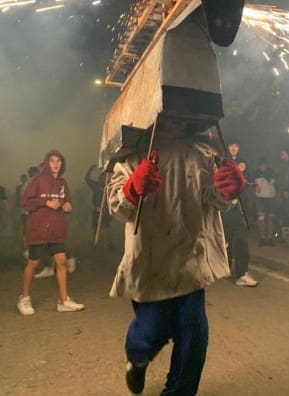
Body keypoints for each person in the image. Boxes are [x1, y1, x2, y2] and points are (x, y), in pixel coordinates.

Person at [106, 115, 247, 395]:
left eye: (181, 113)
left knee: (194, 336)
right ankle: (138, 358)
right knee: (151, 331)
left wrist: (228, 189)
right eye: (168, 112)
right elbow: (117, 209)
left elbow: (215, 201)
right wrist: (132, 188)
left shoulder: (203, 153)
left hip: (191, 260)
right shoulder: (133, 156)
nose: (176, 119)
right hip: (151, 264)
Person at [17, 150, 85, 316]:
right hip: (38, 228)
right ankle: (24, 298)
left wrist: (67, 206)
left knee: (61, 261)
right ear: (46, 163)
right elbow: (25, 202)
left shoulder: (62, 183)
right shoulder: (37, 180)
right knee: (33, 262)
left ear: (62, 164)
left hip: (56, 229)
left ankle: (63, 300)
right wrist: (45, 202)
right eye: (52, 161)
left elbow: (67, 201)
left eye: (59, 161)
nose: (56, 164)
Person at [222, 158, 258, 287]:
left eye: (236, 145)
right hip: (226, 209)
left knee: (242, 240)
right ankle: (224, 267)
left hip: (241, 211)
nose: (234, 148)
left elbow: (249, 188)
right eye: (231, 145)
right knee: (227, 241)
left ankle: (241, 274)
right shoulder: (221, 163)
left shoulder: (245, 167)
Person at [253, 157, 279, 246]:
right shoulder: (255, 174)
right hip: (260, 199)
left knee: (271, 218)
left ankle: (270, 238)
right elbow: (252, 185)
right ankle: (263, 238)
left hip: (271, 199)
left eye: (264, 165)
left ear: (267, 165)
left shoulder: (271, 173)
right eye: (261, 165)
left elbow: (276, 184)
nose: (262, 167)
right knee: (261, 218)